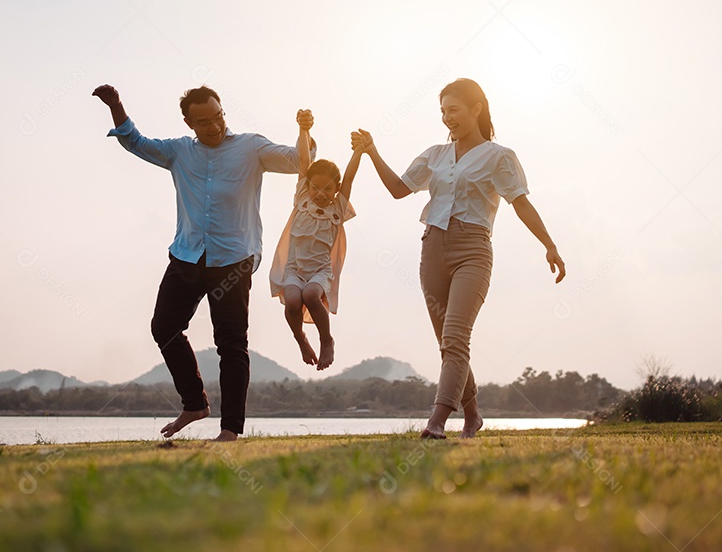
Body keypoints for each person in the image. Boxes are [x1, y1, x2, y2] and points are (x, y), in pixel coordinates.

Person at [352, 78, 565, 439]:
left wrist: (550, 245)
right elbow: (398, 189)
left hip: (473, 251)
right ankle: (473, 415)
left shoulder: (500, 157)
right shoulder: (434, 154)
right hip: (432, 249)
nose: (447, 118)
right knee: (448, 344)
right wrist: (372, 152)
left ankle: (435, 422)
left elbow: (521, 203)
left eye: (454, 110)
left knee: (455, 337)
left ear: (476, 109)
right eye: (443, 112)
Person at [93, 83, 306, 442]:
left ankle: (230, 430)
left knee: (231, 343)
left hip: (233, 260)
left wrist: (304, 131)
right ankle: (195, 403)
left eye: (219, 116)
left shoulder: (251, 147)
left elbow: (299, 161)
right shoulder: (179, 152)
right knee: (164, 327)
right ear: (189, 122)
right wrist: (116, 106)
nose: (214, 126)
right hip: (188, 255)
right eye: (204, 121)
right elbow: (135, 142)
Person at [269, 109, 362, 371]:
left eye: (328, 188)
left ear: (336, 189)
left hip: (320, 271)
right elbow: (303, 164)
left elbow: (351, 177)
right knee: (293, 301)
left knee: (311, 295)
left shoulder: (338, 209)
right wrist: (303, 129)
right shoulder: (302, 200)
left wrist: (359, 152)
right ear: (307, 187)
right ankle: (301, 339)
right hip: (294, 269)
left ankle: (326, 339)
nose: (321, 193)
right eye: (316, 187)